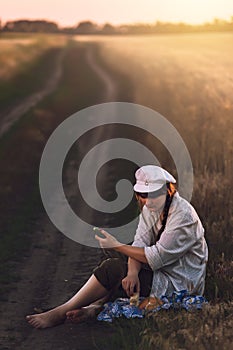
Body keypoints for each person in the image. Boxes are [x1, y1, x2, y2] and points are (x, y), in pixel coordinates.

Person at [26, 165, 208, 329]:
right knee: (121, 265)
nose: (148, 201)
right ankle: (94, 307)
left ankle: (61, 312)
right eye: (144, 195)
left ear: (168, 191)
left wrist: (117, 246)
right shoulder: (152, 209)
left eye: (153, 194)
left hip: (177, 282)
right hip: (161, 269)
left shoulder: (183, 216)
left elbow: (156, 256)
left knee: (114, 267)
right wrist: (132, 273)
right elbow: (140, 242)